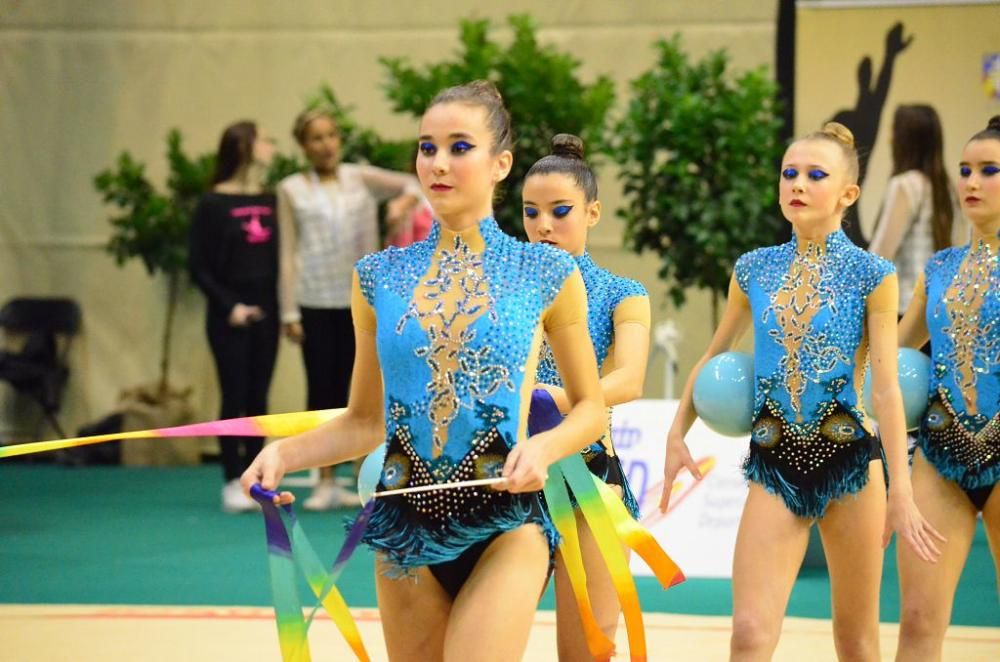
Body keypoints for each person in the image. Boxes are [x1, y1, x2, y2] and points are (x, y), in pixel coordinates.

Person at [242, 80, 606, 660]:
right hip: (402, 526)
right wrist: (285, 454)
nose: (437, 163)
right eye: (426, 147)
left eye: (460, 147)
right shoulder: (376, 278)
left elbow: (590, 407)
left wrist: (545, 449)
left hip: (505, 522)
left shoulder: (546, 272)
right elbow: (365, 423)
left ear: (500, 164)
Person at [659, 122, 943, 661]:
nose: (798, 184)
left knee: (856, 642)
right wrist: (677, 432)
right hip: (774, 462)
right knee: (748, 631)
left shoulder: (873, 274)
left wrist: (901, 487)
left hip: (854, 467)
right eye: (790, 173)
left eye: (816, 175)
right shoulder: (753, 268)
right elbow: (714, 354)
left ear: (848, 194)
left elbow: (884, 385)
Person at [522, 133, 649, 659]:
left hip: (589, 477)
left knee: (590, 649)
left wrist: (558, 394)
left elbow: (629, 380)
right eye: (531, 212)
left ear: (592, 212)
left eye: (560, 211)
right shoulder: (509, 291)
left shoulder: (623, 293)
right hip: (512, 474)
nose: (544, 226)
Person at [276, 108, 422, 510]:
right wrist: (288, 311)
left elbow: (417, 179)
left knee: (365, 389)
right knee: (321, 387)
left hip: (364, 298)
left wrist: (403, 204)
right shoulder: (291, 189)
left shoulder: (361, 177)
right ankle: (323, 478)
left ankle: (365, 475)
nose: (325, 145)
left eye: (331, 136)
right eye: (316, 138)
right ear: (304, 146)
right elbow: (288, 252)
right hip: (315, 299)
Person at [895, 116, 1000, 661]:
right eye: (964, 170)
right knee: (916, 621)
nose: (971, 182)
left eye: (988, 170)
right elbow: (892, 349)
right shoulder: (939, 267)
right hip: (939, 455)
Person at [189, 120, 279, 513]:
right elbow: (198, 267)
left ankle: (255, 479)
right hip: (229, 314)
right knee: (234, 394)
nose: (268, 145)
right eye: (261, 140)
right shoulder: (212, 203)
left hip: (267, 309)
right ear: (243, 147)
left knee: (259, 396)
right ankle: (230, 477)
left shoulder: (271, 198)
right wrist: (231, 307)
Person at [868, 104, 964, 311]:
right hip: (940, 308)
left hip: (904, 307)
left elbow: (881, 254)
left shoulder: (905, 185)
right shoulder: (948, 188)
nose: (889, 139)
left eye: (893, 132)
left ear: (905, 140)